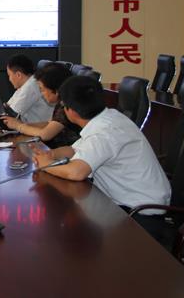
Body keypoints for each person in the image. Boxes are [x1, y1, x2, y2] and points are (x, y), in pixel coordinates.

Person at [32, 76, 171, 237]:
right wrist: (51, 154)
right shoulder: (108, 118)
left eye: (63, 105)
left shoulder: (104, 132)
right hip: (123, 205)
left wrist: (45, 165)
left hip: (140, 215)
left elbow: (76, 172)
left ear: (71, 111)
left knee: (72, 230)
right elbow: (74, 149)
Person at [1, 62, 80, 148]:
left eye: (42, 89)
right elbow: (49, 123)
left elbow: (45, 134)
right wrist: (20, 125)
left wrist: (19, 126)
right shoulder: (61, 104)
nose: (42, 94)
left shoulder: (67, 108)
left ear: (56, 90)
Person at [5, 54, 53, 123]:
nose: (9, 79)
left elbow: (11, 114)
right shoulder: (26, 84)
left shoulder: (31, 86)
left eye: (9, 75)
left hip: (37, 128)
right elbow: (8, 106)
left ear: (18, 75)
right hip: (31, 126)